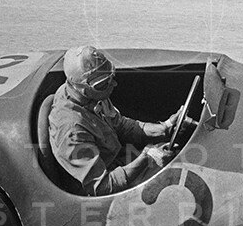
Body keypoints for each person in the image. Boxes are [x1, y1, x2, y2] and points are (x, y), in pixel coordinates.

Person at [48, 45, 184, 196]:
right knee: (178, 178)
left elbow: (121, 126)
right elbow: (102, 187)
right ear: (83, 89)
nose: (113, 84)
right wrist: (147, 158)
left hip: (118, 161)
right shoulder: (71, 130)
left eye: (111, 77)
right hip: (105, 192)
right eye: (104, 83)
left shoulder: (92, 95)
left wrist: (165, 127)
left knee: (178, 157)